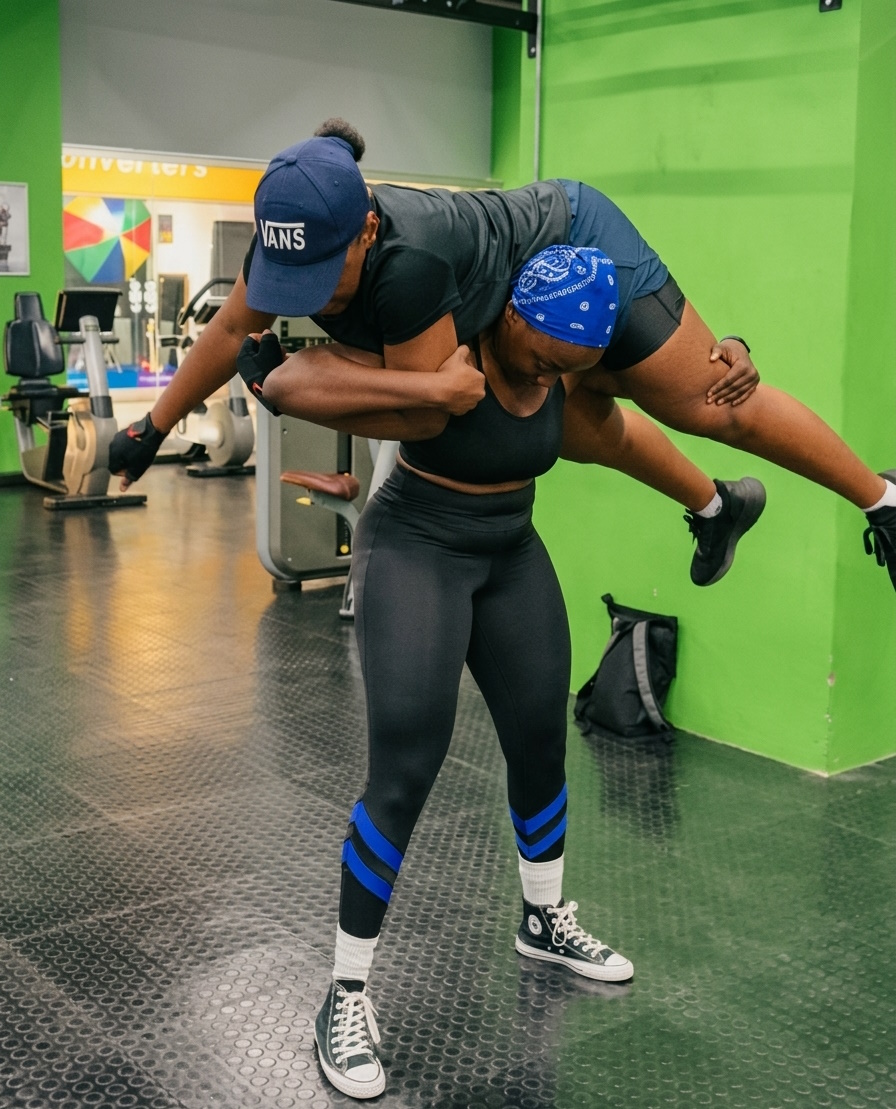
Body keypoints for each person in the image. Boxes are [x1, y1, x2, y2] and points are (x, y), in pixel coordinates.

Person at [109, 120, 896, 591]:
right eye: (289, 277)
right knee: (583, 430)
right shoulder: (293, 237)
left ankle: (883, 500)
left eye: (323, 274)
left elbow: (425, 408)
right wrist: (157, 427)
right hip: (504, 304)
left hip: (576, 237)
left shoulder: (408, 267)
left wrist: (287, 384)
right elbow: (223, 332)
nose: (303, 294)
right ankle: (720, 506)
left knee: (708, 402)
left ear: (370, 229)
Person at [238, 245, 639, 1100]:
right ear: (516, 317)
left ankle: (543, 918)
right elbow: (328, 373)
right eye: (541, 356)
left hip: (512, 549)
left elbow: (662, 380)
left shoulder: (577, 353)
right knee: (406, 770)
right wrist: (267, 376)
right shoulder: (443, 347)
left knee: (539, 740)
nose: (550, 376)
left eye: (571, 368)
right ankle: (345, 994)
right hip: (418, 546)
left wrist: (731, 355)